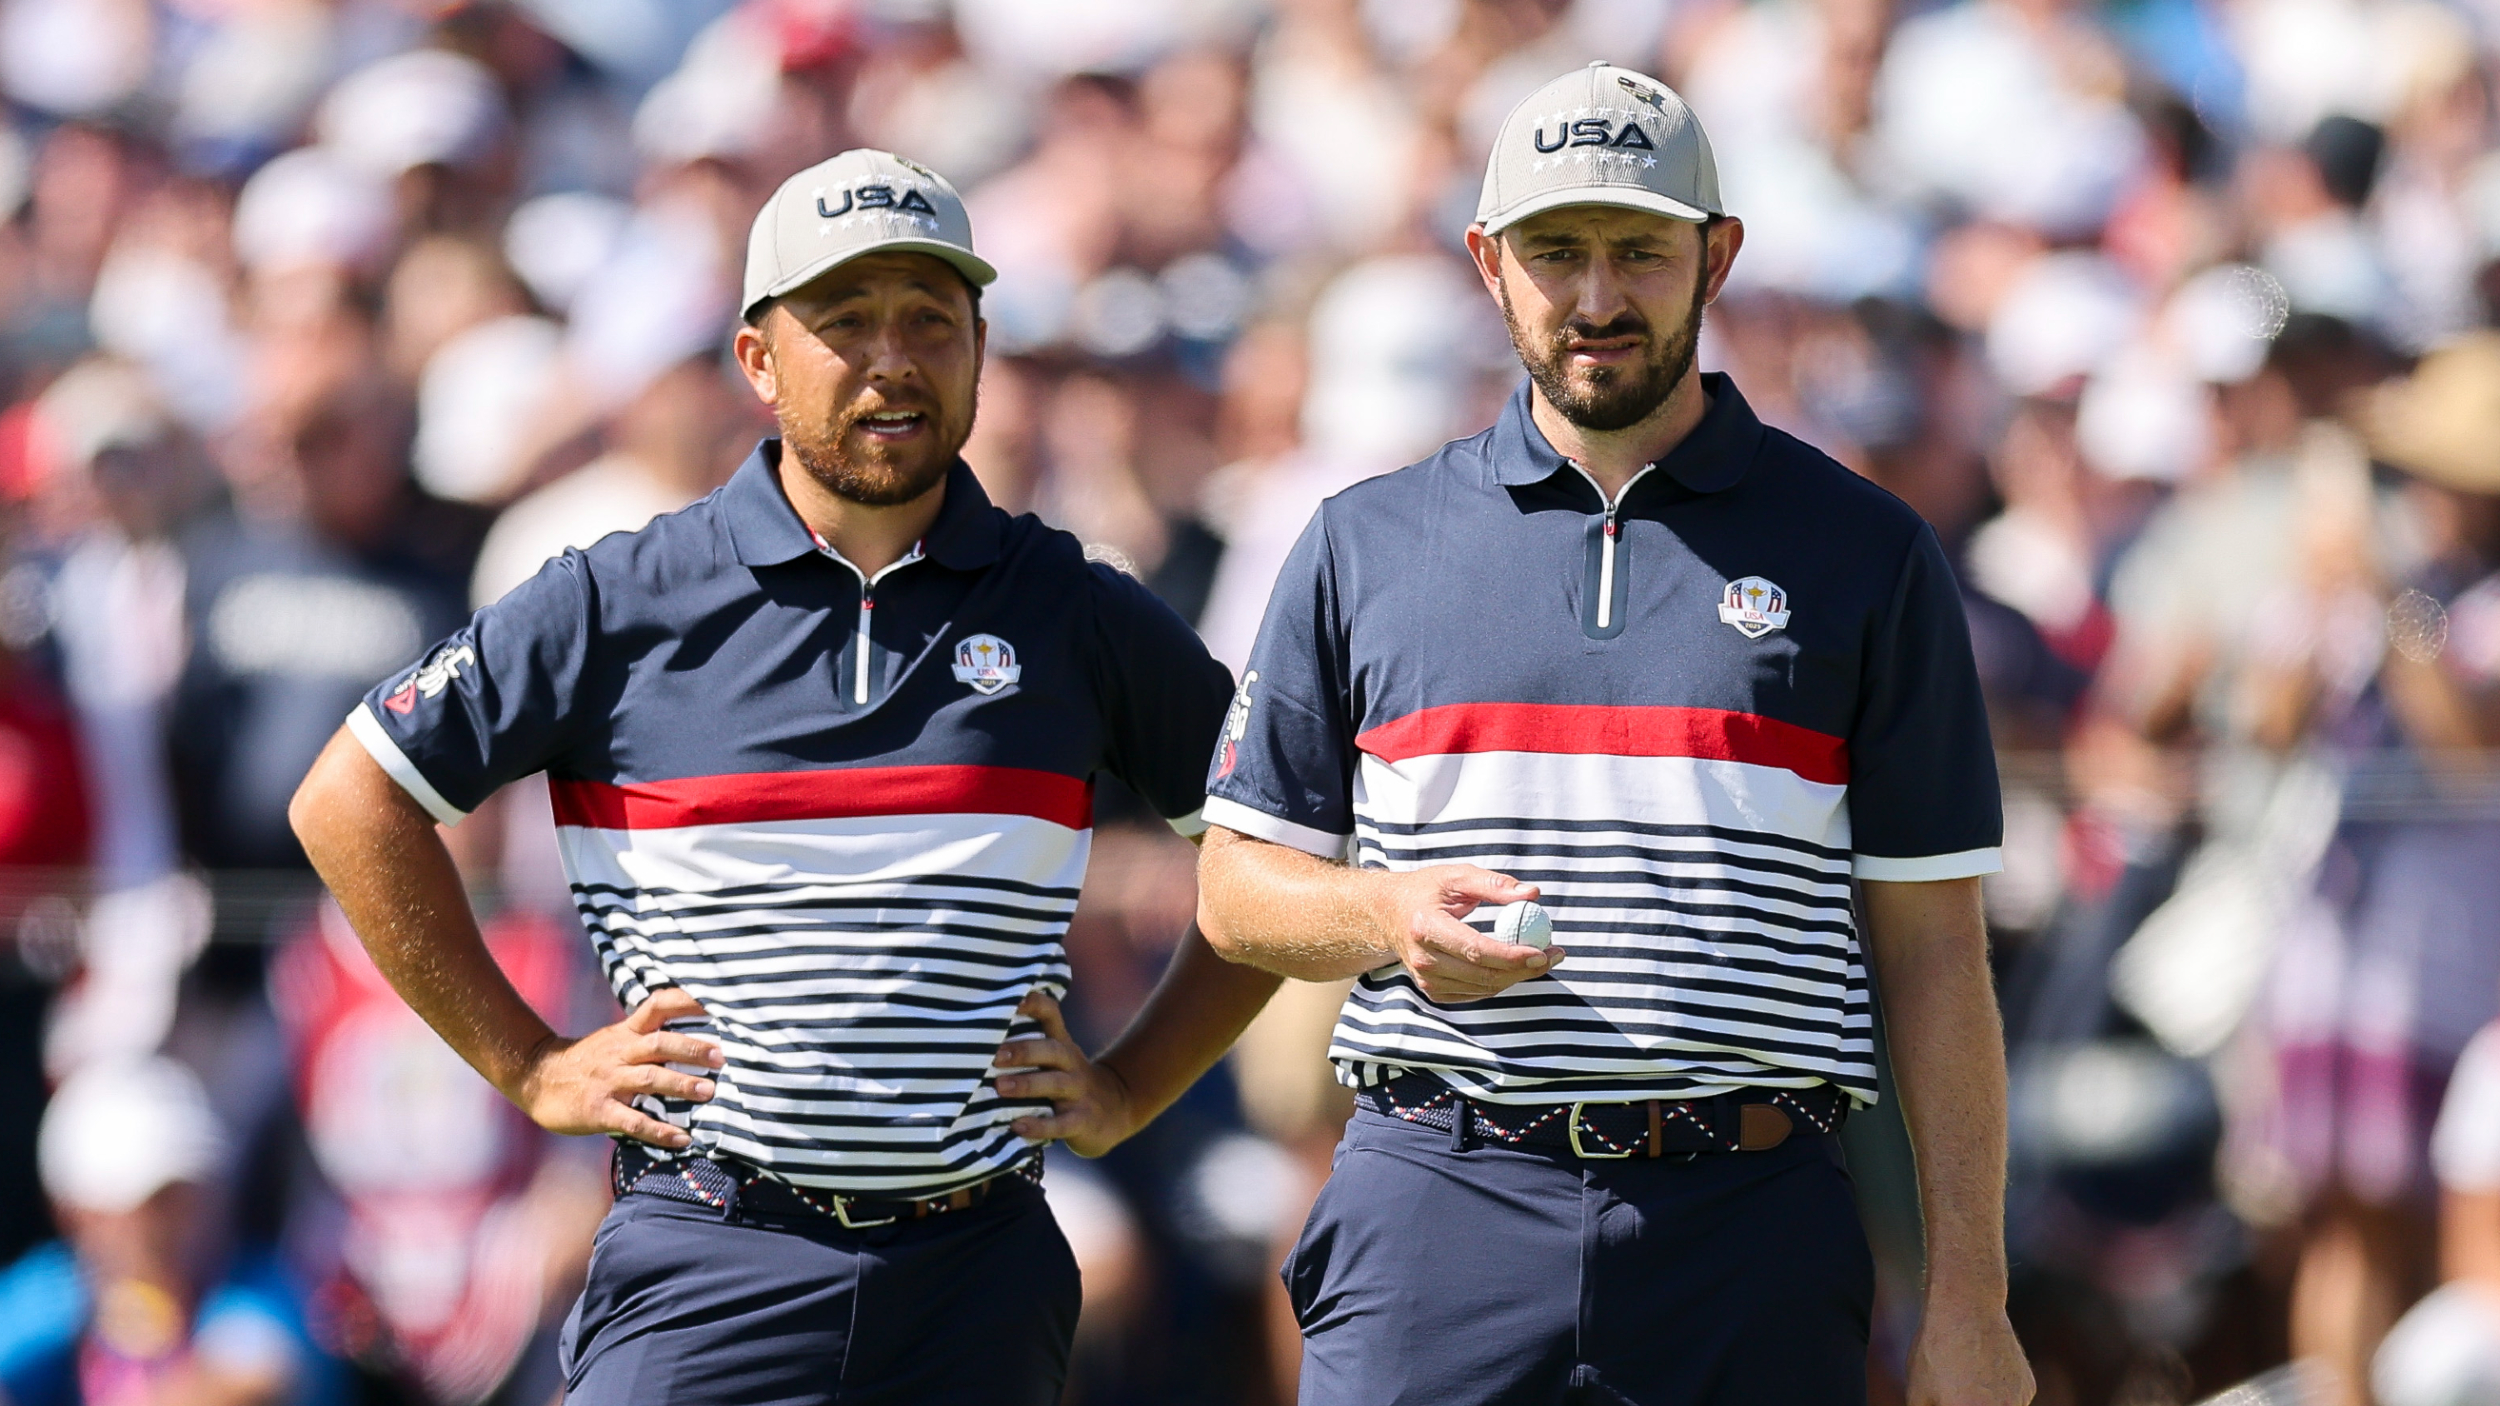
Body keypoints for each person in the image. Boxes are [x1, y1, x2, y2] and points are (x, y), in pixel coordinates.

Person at [286, 148, 1279, 1406]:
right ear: (758, 360)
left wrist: (1132, 1083)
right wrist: (531, 1061)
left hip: (980, 1270)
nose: (891, 359)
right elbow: (349, 800)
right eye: (844, 321)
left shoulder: (1074, 607)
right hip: (709, 1254)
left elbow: (1276, 852)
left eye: (929, 319)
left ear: (980, 345)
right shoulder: (618, 597)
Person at [1194, 63, 2035, 1406]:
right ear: (1488, 262)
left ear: (1718, 255)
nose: (1596, 299)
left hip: (1748, 1225)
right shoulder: (1363, 541)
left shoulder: (1865, 550)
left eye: (1639, 251)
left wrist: (1971, 1298)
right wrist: (1386, 916)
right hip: (1436, 1202)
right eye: (1556, 253)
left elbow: (1936, 956)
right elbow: (1236, 888)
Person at [0, 1057, 338, 1406]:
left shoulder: (262, 1289)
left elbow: (246, 1380)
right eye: (141, 1204)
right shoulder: (52, 1295)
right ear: (74, 1215)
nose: (167, 1226)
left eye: (181, 1196)